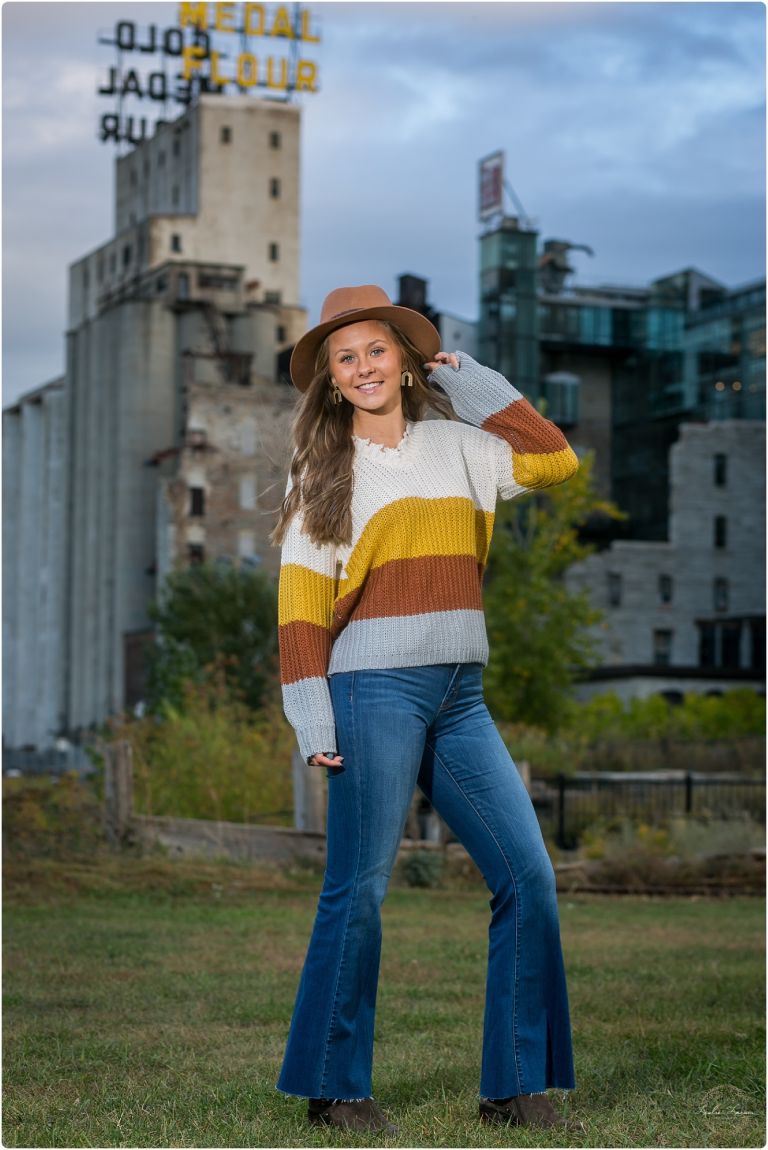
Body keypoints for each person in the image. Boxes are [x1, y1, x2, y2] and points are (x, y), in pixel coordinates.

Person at [271, 284, 579, 1134]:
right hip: (370, 690)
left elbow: (555, 459)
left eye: (377, 350)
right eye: (346, 358)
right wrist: (313, 717)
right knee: (359, 889)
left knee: (528, 876)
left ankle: (515, 1086)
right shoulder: (322, 472)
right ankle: (335, 1089)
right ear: (332, 380)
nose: (363, 367)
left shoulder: (461, 447)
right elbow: (300, 608)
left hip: (460, 696)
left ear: (406, 363)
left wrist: (471, 380)